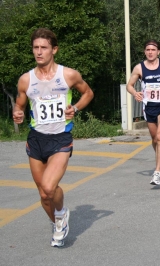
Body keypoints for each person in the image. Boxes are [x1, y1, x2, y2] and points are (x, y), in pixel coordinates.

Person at [12, 28, 94, 247]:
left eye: (44, 48)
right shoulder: (25, 80)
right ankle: (59, 219)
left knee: (49, 187)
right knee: (43, 194)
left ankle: (60, 216)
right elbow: (19, 106)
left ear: (54, 50)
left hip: (60, 138)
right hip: (36, 139)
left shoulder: (68, 75)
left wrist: (75, 108)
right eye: (35, 48)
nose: (39, 52)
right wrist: (17, 114)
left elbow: (88, 93)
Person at [126, 40, 160, 186]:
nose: (150, 52)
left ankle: (157, 172)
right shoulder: (139, 68)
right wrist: (135, 93)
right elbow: (129, 85)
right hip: (149, 107)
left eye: (153, 49)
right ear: (145, 52)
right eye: (148, 49)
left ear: (158, 52)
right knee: (154, 139)